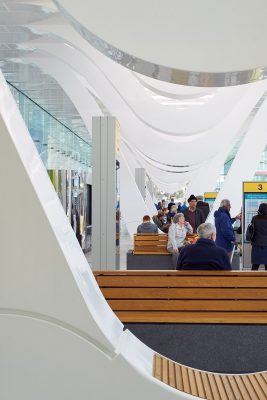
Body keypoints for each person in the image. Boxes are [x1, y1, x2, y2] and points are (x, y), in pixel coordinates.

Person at [249, 203, 267, 270]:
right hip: (266, 245)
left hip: (256, 244)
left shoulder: (254, 218)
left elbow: (251, 230)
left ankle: (252, 279)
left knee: (255, 265)